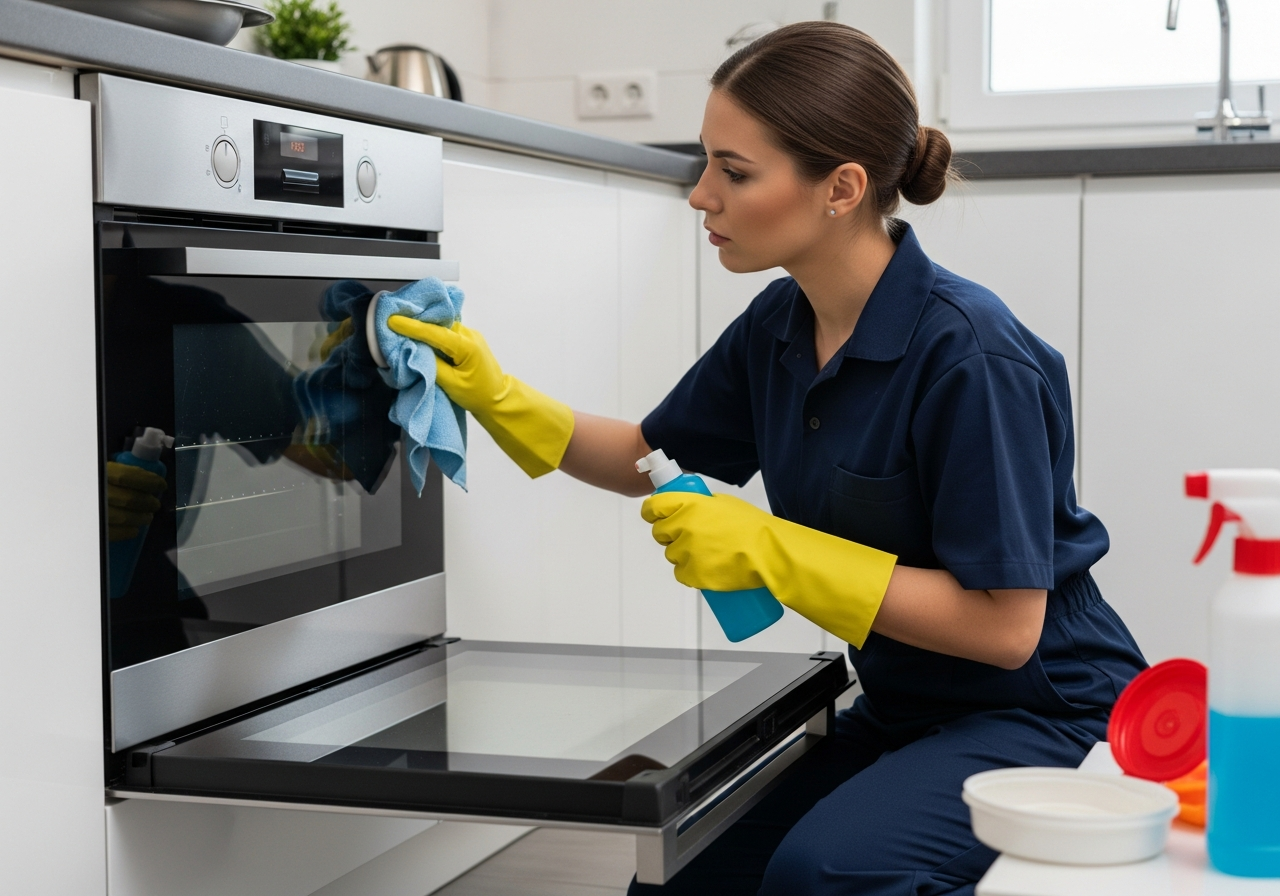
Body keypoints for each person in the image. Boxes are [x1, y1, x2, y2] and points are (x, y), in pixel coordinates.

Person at [390, 21, 1147, 896]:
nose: (700, 195)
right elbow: (646, 453)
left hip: (1045, 715)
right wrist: (497, 395)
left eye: (734, 172)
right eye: (705, 162)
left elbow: (1006, 629)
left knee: (825, 876)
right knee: (681, 877)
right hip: (908, 712)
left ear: (842, 187)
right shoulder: (781, 326)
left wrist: (771, 550)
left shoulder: (971, 357)